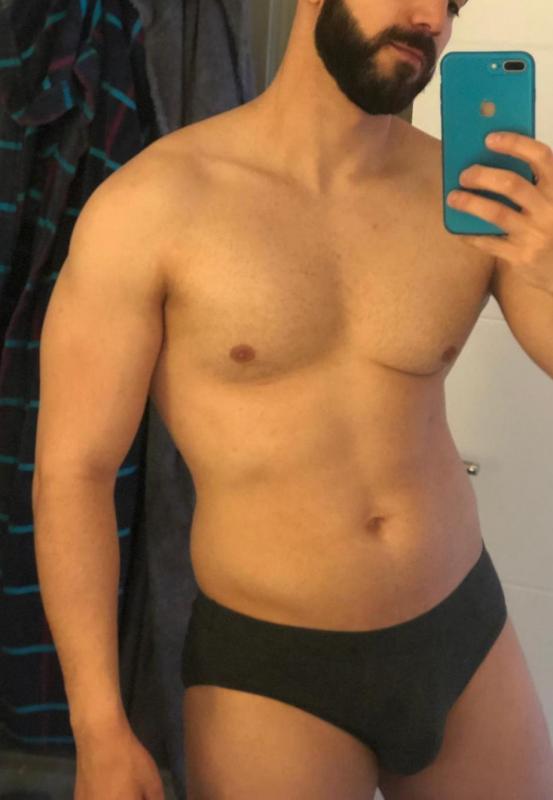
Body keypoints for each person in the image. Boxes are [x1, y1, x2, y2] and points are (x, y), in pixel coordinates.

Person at [33, 1, 553, 798]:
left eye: (452, 2)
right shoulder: (154, 205)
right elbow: (75, 471)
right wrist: (99, 725)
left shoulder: (468, 194)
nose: (431, 18)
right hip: (272, 670)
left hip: (465, 632)